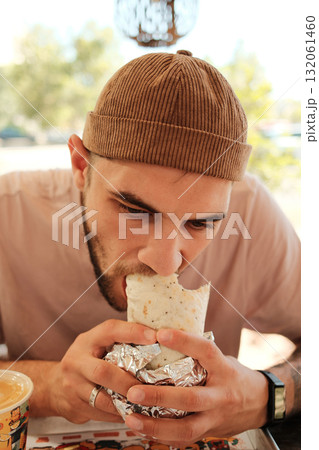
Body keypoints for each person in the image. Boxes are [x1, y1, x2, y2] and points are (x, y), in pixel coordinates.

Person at [0, 50, 300, 446]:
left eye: (201, 222)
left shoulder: (253, 214)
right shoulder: (10, 212)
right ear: (80, 167)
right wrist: (50, 385)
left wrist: (269, 393)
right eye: (132, 210)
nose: (164, 263)